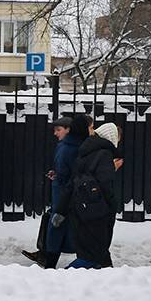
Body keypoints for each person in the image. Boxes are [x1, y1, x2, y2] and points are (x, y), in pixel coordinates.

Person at [53, 121, 122, 269]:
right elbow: (104, 185)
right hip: (96, 212)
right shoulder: (104, 155)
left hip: (81, 209)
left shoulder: (85, 152)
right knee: (91, 258)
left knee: (96, 256)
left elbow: (73, 182)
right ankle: (59, 281)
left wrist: (60, 210)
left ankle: (107, 278)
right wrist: (111, 207)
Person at [23, 115, 88, 269]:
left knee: (57, 225)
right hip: (65, 192)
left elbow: (70, 173)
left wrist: (59, 177)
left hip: (63, 193)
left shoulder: (67, 147)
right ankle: (48, 255)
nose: (55, 133)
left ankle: (49, 258)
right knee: (59, 225)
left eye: (58, 130)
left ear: (68, 130)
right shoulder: (71, 146)